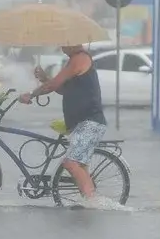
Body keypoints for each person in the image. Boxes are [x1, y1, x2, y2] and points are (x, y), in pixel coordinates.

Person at [19, 45, 113, 208]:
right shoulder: (73, 61)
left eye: (64, 43)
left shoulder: (80, 59)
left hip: (90, 121)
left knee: (71, 163)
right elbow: (63, 89)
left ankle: (93, 203)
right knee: (80, 165)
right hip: (80, 122)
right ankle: (89, 199)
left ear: (74, 42)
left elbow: (53, 86)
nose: (61, 46)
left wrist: (31, 94)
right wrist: (44, 78)